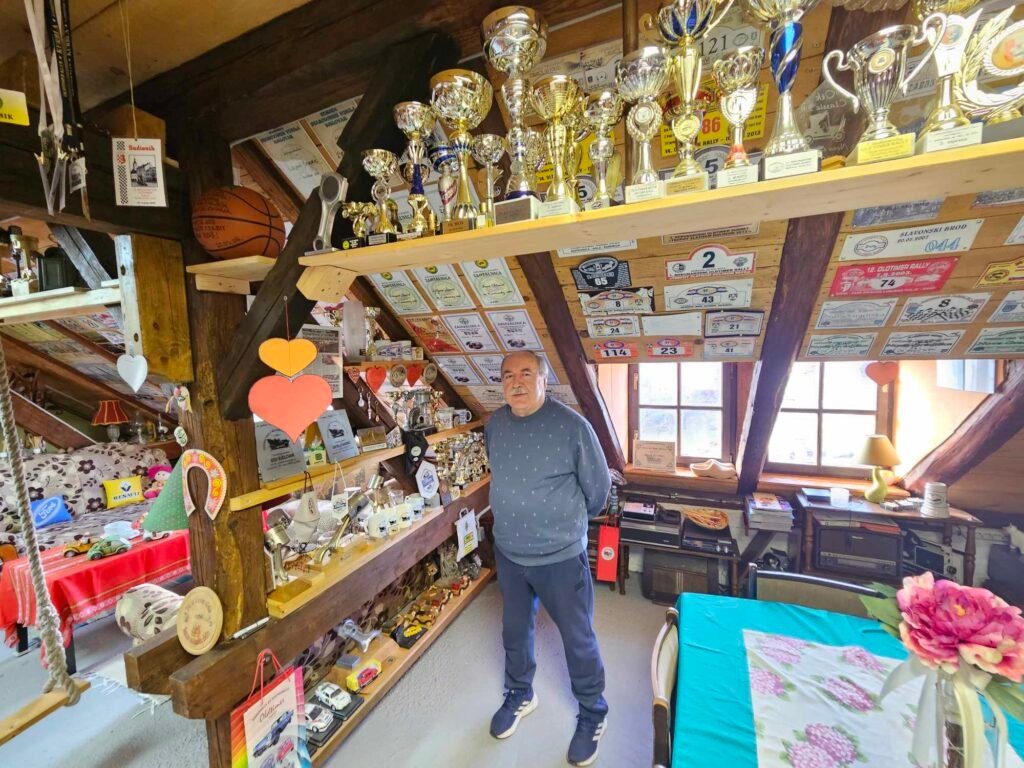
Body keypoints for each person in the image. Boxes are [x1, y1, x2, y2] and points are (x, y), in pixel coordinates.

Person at [484, 350, 611, 767]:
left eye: (525, 373)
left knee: (577, 637)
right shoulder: (495, 424)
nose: (516, 382)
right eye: (507, 375)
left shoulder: (573, 427)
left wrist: (561, 525)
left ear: (544, 379)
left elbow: (598, 491)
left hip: (560, 557)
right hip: (509, 552)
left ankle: (593, 711)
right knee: (514, 630)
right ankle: (521, 693)